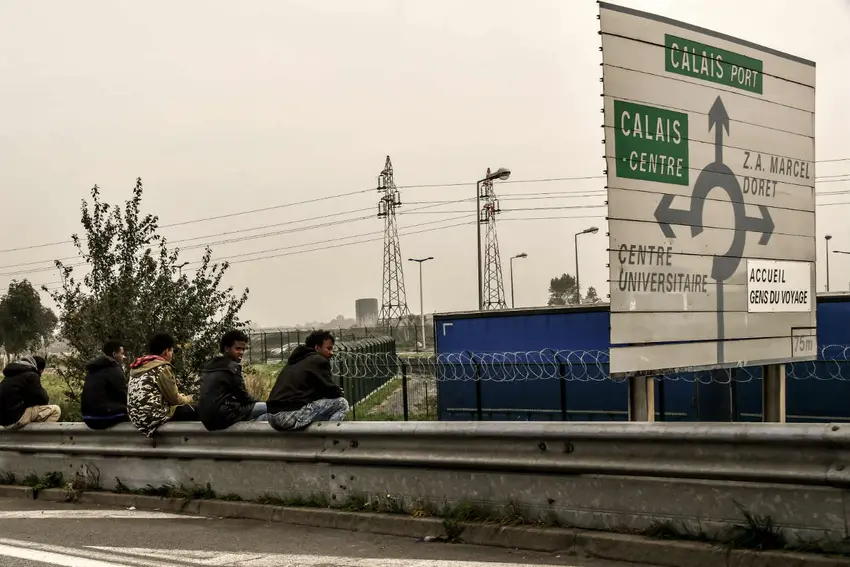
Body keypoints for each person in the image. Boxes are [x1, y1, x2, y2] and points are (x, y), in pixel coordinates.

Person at [266, 330, 349, 431]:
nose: (331, 353)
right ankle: (330, 438)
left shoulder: (296, 360)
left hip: (271, 417)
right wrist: (339, 391)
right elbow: (329, 390)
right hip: (289, 416)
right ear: (317, 347)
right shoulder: (318, 361)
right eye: (328, 348)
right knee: (341, 403)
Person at [127, 332, 196, 437]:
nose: (172, 354)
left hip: (136, 419)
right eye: (172, 351)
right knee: (195, 409)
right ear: (166, 351)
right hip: (153, 419)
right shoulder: (162, 367)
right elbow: (174, 400)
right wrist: (189, 398)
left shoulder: (138, 366)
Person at [198, 330, 268, 431]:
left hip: (205, 417)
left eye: (243, 349)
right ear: (226, 348)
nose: (241, 353)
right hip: (224, 415)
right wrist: (260, 401)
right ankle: (256, 434)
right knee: (269, 408)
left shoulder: (209, 365)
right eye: (238, 349)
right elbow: (244, 397)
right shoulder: (232, 367)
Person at [0, 354, 61, 429]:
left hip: (3, 420)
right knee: (55, 410)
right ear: (40, 370)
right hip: (15, 418)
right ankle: (40, 438)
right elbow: (43, 399)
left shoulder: (10, 375)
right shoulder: (31, 375)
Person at [81, 339, 130, 430]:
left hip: (87, 417)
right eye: (122, 353)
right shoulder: (114, 368)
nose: (124, 357)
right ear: (114, 354)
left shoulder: (94, 368)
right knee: (134, 413)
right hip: (101, 417)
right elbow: (123, 394)